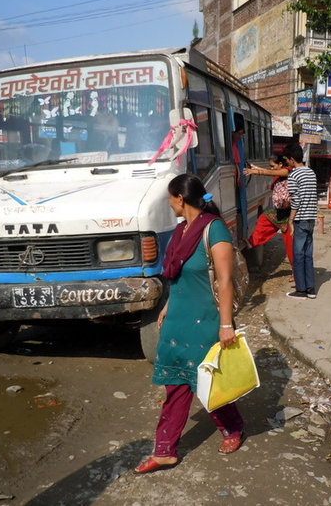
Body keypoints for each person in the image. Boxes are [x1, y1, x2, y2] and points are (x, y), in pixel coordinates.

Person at [135, 174, 244, 474]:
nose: (169, 204)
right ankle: (165, 451)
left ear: (180, 199)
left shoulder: (215, 229)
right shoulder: (182, 230)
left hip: (206, 318)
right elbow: (178, 276)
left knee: (207, 382)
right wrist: (168, 307)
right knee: (175, 384)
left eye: (171, 198)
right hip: (179, 317)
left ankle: (232, 429)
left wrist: (225, 325)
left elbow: (224, 281)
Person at [243, 154, 293, 279]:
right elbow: (270, 172)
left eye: (273, 166)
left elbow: (268, 173)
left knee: (290, 246)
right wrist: (255, 167)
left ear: (281, 165)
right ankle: (251, 242)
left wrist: (254, 171)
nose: (271, 169)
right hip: (280, 213)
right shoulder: (280, 172)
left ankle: (297, 273)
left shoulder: (286, 172)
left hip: (289, 215)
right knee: (264, 219)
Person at [285, 142, 318, 300]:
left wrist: (291, 219)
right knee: (308, 254)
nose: (287, 163)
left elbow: (296, 200)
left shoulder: (293, 175)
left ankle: (300, 290)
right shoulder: (311, 172)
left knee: (298, 254)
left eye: (287, 160)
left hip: (300, 218)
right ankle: (310, 288)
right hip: (311, 217)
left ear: (292, 159)